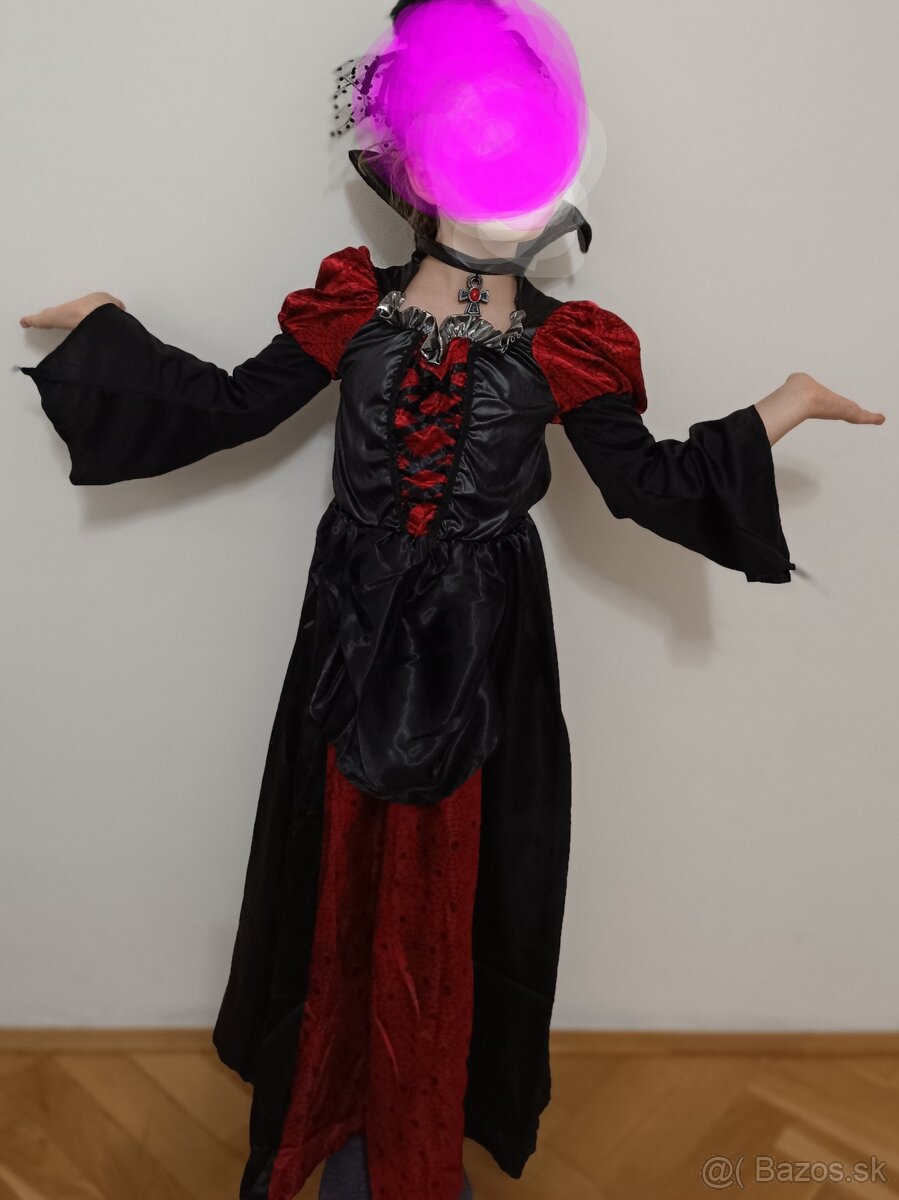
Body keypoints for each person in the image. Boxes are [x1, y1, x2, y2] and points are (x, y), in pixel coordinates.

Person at [17, 1, 885, 1198]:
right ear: (415, 172)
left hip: (484, 649)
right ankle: (333, 1110)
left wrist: (782, 405)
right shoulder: (350, 309)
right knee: (335, 874)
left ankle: (416, 1132)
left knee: (452, 891)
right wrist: (103, 331)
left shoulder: (569, 343)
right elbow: (230, 405)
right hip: (351, 633)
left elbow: (645, 485)